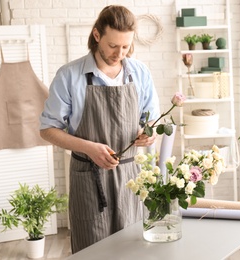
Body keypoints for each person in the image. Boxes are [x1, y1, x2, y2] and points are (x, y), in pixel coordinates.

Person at [39, 5, 160, 253]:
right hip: (88, 179)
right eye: (113, 45)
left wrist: (149, 133)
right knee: (92, 251)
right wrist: (89, 148)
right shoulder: (69, 76)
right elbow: (47, 129)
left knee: (133, 250)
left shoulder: (140, 73)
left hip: (131, 179)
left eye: (126, 47)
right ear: (97, 36)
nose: (119, 53)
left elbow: (153, 121)